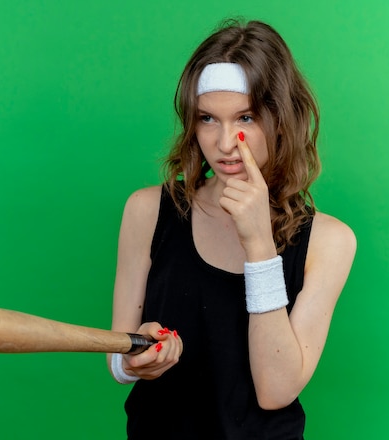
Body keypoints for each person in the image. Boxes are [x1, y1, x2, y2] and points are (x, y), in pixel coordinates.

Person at [106, 18, 357, 439]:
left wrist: (259, 242)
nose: (225, 143)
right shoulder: (146, 211)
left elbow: (276, 390)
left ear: (282, 118)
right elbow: (117, 358)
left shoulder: (329, 242)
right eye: (208, 118)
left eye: (246, 116)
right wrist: (135, 356)